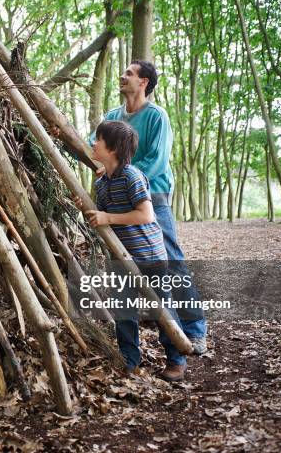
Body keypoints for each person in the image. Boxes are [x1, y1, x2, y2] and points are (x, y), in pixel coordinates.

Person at [92, 60, 208, 354]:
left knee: (171, 262)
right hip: (118, 200)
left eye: (129, 73)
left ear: (144, 82)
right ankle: (136, 341)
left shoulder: (156, 117)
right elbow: (95, 147)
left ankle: (194, 331)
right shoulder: (113, 116)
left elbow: (156, 160)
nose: (123, 76)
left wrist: (121, 173)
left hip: (152, 197)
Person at [73, 120, 187, 381]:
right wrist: (86, 207)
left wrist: (107, 218)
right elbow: (101, 215)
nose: (93, 143)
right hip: (121, 258)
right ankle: (130, 361)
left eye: (98, 140)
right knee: (124, 310)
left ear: (112, 149)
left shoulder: (132, 176)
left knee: (161, 308)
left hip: (149, 256)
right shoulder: (102, 183)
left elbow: (146, 215)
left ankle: (176, 360)